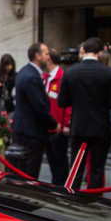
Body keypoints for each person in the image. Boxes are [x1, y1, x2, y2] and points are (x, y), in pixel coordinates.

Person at [58, 37, 111, 190]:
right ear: (100, 52)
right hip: (100, 127)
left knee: (76, 167)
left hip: (79, 126)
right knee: (96, 170)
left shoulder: (70, 72)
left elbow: (62, 101)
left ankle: (73, 199)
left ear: (83, 50)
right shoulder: (108, 72)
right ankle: (94, 203)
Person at [11, 43, 56, 179]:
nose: (49, 57)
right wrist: (54, 124)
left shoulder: (26, 72)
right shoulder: (31, 76)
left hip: (26, 130)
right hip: (31, 132)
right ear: (37, 56)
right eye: (46, 54)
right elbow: (39, 106)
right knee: (29, 172)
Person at [42, 49, 71, 186]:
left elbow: (68, 104)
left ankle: (62, 187)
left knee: (61, 161)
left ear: (49, 60)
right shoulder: (44, 77)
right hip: (47, 127)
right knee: (52, 161)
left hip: (59, 128)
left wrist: (66, 123)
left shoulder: (63, 77)